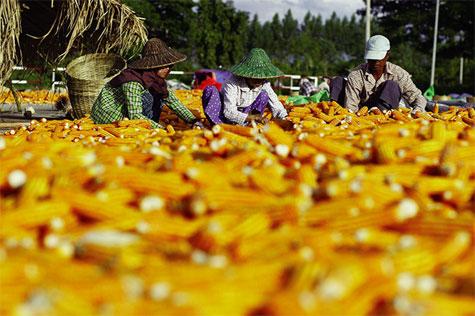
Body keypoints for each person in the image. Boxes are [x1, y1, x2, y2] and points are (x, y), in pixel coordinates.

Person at [91, 38, 202, 129]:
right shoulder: (132, 81)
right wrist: (161, 129)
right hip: (109, 116)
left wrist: (193, 120)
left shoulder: (155, 80)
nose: (168, 69)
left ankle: (150, 124)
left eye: (170, 65)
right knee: (150, 97)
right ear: (154, 67)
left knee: (159, 96)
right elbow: (135, 115)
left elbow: (171, 100)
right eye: (164, 66)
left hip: (125, 113)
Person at [330, 35, 426, 114]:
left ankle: (380, 118)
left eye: (379, 58)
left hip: (383, 112)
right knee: (337, 81)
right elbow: (350, 106)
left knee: (391, 86)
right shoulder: (356, 75)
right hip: (360, 112)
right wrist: (353, 118)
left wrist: (417, 111)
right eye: (372, 59)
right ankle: (335, 114)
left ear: (388, 55)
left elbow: (418, 97)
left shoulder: (399, 74)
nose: (376, 62)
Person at [201, 48, 288, 126]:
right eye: (255, 77)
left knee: (264, 95)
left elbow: (276, 104)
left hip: (248, 115)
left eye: (261, 77)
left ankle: (248, 125)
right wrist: (254, 117)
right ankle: (219, 124)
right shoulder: (232, 82)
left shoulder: (264, 84)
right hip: (224, 114)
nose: (259, 81)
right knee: (210, 90)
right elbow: (228, 112)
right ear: (246, 75)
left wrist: (285, 119)